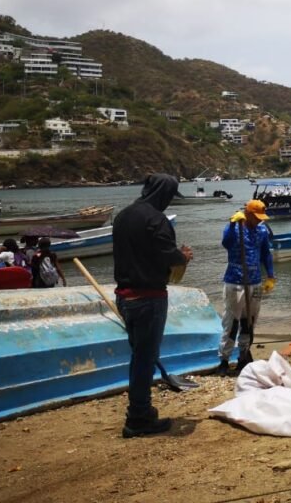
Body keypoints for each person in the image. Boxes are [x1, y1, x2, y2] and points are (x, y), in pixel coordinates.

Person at [112, 173, 193, 438]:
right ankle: (138, 418)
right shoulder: (156, 220)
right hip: (149, 298)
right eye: (170, 196)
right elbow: (168, 257)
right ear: (163, 193)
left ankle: (141, 411)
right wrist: (184, 256)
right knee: (145, 359)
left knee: (139, 357)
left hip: (125, 296)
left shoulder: (122, 216)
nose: (170, 201)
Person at [218, 199, 275, 374]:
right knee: (232, 321)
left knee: (249, 321)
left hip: (255, 282)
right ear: (248, 213)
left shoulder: (262, 229)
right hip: (235, 282)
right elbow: (226, 244)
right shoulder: (235, 227)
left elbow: (266, 254)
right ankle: (224, 360)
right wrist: (231, 223)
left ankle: (244, 354)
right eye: (256, 217)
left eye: (261, 217)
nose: (259, 220)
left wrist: (271, 276)